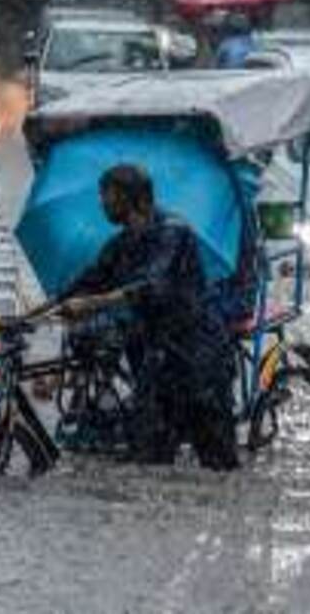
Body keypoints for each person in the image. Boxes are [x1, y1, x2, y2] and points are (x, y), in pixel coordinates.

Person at [57, 164, 240, 471]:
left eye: (110, 197)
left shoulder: (173, 232)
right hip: (156, 364)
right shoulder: (123, 243)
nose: (102, 203)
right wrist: (41, 310)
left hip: (197, 361)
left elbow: (150, 286)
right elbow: (91, 278)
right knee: (150, 462)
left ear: (136, 199)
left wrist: (93, 303)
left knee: (219, 465)